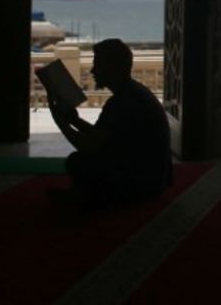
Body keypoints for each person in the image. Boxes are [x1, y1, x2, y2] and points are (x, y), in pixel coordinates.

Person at [48, 38, 173, 208]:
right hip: (156, 178)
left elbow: (89, 145)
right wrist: (74, 120)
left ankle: (87, 199)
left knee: (78, 161)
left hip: (143, 184)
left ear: (112, 67)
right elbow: (103, 135)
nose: (92, 70)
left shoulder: (122, 102)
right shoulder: (132, 93)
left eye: (97, 64)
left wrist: (60, 122)